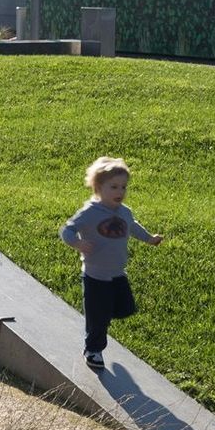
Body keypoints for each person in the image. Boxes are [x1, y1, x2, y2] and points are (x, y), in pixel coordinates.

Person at [59, 156, 163, 371]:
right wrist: (77, 242)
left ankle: (103, 316)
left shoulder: (124, 212)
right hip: (95, 276)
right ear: (98, 187)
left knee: (126, 309)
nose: (120, 191)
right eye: (114, 186)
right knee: (98, 318)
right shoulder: (89, 212)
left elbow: (133, 227)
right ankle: (93, 350)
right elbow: (67, 230)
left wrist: (149, 238)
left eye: (123, 187)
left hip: (117, 273)